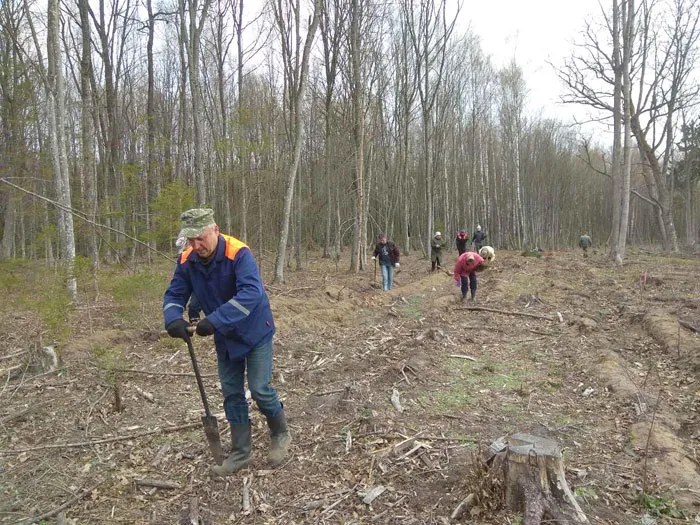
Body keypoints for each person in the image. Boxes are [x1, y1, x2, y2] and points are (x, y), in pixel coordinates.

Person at [163, 208, 290, 476]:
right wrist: (173, 318)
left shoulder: (238, 253)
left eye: (200, 238)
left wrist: (216, 320)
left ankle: (280, 432)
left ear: (215, 230)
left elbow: (251, 294)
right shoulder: (187, 259)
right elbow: (175, 292)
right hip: (225, 335)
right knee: (231, 392)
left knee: (259, 389)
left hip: (255, 330)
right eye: (191, 240)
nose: (196, 246)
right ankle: (241, 453)